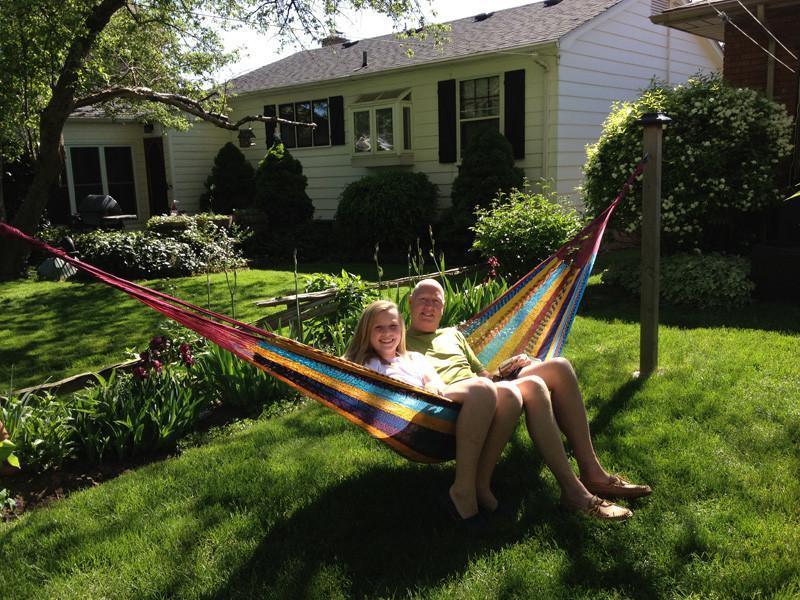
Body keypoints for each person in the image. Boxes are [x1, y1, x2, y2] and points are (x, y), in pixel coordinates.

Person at [405, 279, 651, 521]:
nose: (429, 307)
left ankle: (592, 472)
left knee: (559, 367)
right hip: (457, 402)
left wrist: (506, 369)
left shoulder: (452, 335)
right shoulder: (398, 341)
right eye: (423, 300)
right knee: (533, 386)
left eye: (436, 301)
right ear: (410, 302)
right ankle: (575, 492)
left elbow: (485, 376)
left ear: (444, 307)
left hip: (486, 388)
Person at [344, 300, 499, 527]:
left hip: (438, 406)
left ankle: (468, 486)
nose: (387, 333)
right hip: (411, 417)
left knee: (486, 389)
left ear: (402, 329)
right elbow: (343, 371)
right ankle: (463, 490)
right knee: (484, 390)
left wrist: (433, 388)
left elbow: (434, 382)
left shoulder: (415, 358)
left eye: (393, 326)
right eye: (379, 327)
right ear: (366, 332)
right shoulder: (369, 365)